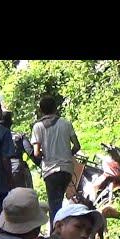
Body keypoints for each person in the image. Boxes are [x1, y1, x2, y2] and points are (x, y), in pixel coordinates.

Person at [31, 95, 81, 231]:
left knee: (54, 204)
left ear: (41, 110)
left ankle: (55, 234)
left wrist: (46, 155)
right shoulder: (66, 123)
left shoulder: (38, 127)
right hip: (66, 169)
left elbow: (36, 153)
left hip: (50, 170)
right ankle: (61, 231)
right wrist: (67, 155)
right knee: (59, 201)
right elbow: (77, 146)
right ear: (55, 108)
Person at [0, 110, 34, 189]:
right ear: (11, 123)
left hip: (1, 172)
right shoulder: (19, 136)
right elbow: (31, 152)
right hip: (18, 170)